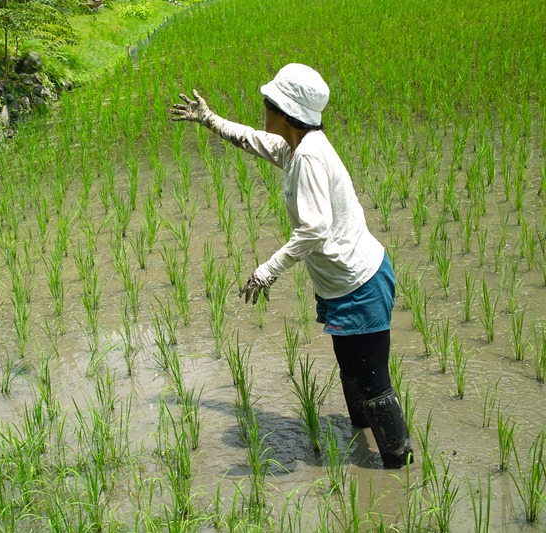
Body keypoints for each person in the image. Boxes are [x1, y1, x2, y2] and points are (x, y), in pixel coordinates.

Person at [170, 63, 413, 469]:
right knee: (351, 372)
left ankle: (396, 466)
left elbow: (314, 228)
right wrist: (209, 120)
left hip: (361, 283)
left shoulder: (310, 159)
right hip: (342, 284)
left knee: (374, 383)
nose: (263, 109)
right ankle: (361, 444)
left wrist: (267, 269)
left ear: (284, 112)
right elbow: (253, 140)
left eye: (267, 103)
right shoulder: (298, 146)